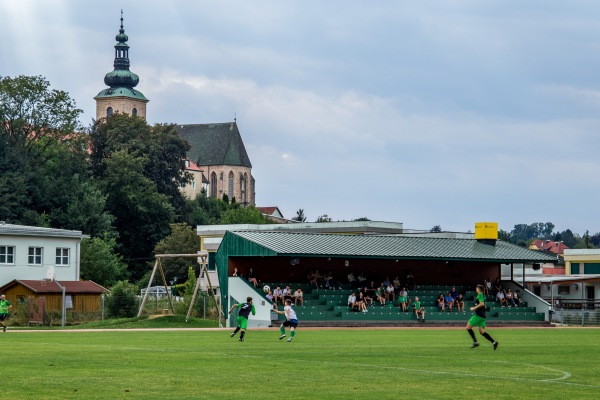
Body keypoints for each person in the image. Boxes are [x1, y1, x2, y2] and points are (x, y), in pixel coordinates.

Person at [466, 284, 498, 350]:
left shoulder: (480, 295)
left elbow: (482, 304)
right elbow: (483, 304)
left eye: (476, 288)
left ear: (479, 289)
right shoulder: (481, 295)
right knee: (482, 332)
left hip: (479, 315)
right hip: (483, 316)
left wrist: (474, 308)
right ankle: (494, 342)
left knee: (468, 327)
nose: (476, 289)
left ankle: (475, 342)